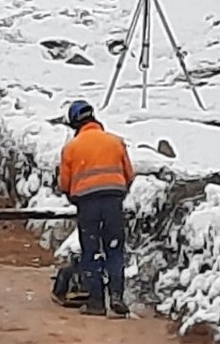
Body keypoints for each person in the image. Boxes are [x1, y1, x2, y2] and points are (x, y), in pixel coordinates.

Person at [58, 101, 134, 317]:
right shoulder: (115, 142)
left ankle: (96, 302)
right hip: (113, 201)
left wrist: (75, 194)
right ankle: (117, 296)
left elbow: (64, 183)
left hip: (87, 204)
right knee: (114, 248)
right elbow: (129, 174)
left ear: (75, 123)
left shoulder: (71, 148)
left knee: (90, 251)